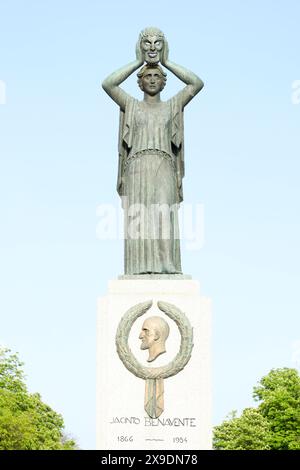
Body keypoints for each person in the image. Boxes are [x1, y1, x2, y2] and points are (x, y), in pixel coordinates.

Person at [102, 27, 204, 274]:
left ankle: (167, 265)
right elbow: (108, 83)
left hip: (164, 165)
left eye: (156, 76)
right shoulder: (131, 105)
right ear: (139, 82)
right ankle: (137, 268)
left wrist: (165, 61)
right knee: (139, 219)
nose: (151, 79)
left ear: (163, 81)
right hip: (137, 167)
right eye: (147, 76)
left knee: (163, 213)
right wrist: (139, 60)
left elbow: (196, 83)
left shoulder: (172, 106)